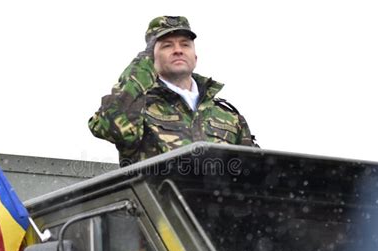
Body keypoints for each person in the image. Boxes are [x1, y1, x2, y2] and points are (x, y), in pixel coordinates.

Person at [89, 16, 258, 166]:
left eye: (185, 45)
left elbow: (255, 169)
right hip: (158, 200)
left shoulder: (227, 115)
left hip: (217, 201)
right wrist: (141, 65)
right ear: (151, 58)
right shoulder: (137, 106)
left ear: (195, 57)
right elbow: (110, 127)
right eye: (167, 46)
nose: (178, 50)